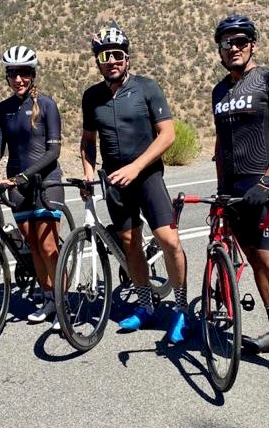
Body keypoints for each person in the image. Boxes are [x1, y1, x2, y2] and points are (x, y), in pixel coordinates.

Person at [80, 22, 189, 344]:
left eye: (117, 55)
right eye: (104, 56)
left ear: (127, 58)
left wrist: (137, 166)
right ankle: (145, 306)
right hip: (114, 180)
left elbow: (167, 134)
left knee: (169, 241)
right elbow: (88, 141)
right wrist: (88, 171)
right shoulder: (92, 97)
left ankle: (180, 309)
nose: (111, 61)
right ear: (98, 60)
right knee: (129, 244)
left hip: (148, 175)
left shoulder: (147, 87)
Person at [211, 14, 269, 386]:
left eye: (241, 41)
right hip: (232, 190)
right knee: (252, 260)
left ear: (253, 45)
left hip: (264, 186)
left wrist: (267, 181)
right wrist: (219, 194)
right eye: (227, 42)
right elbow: (220, 144)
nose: (234, 48)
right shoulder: (219, 92)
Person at [0, 45, 65, 331]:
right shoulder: (4, 109)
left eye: (24, 73)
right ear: (7, 76)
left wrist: (24, 176)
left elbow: (53, 152)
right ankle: (48, 299)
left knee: (48, 247)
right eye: (13, 74)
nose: (18, 79)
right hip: (17, 186)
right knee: (32, 246)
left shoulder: (46, 105)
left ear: (32, 75)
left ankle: (63, 302)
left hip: (46, 182)